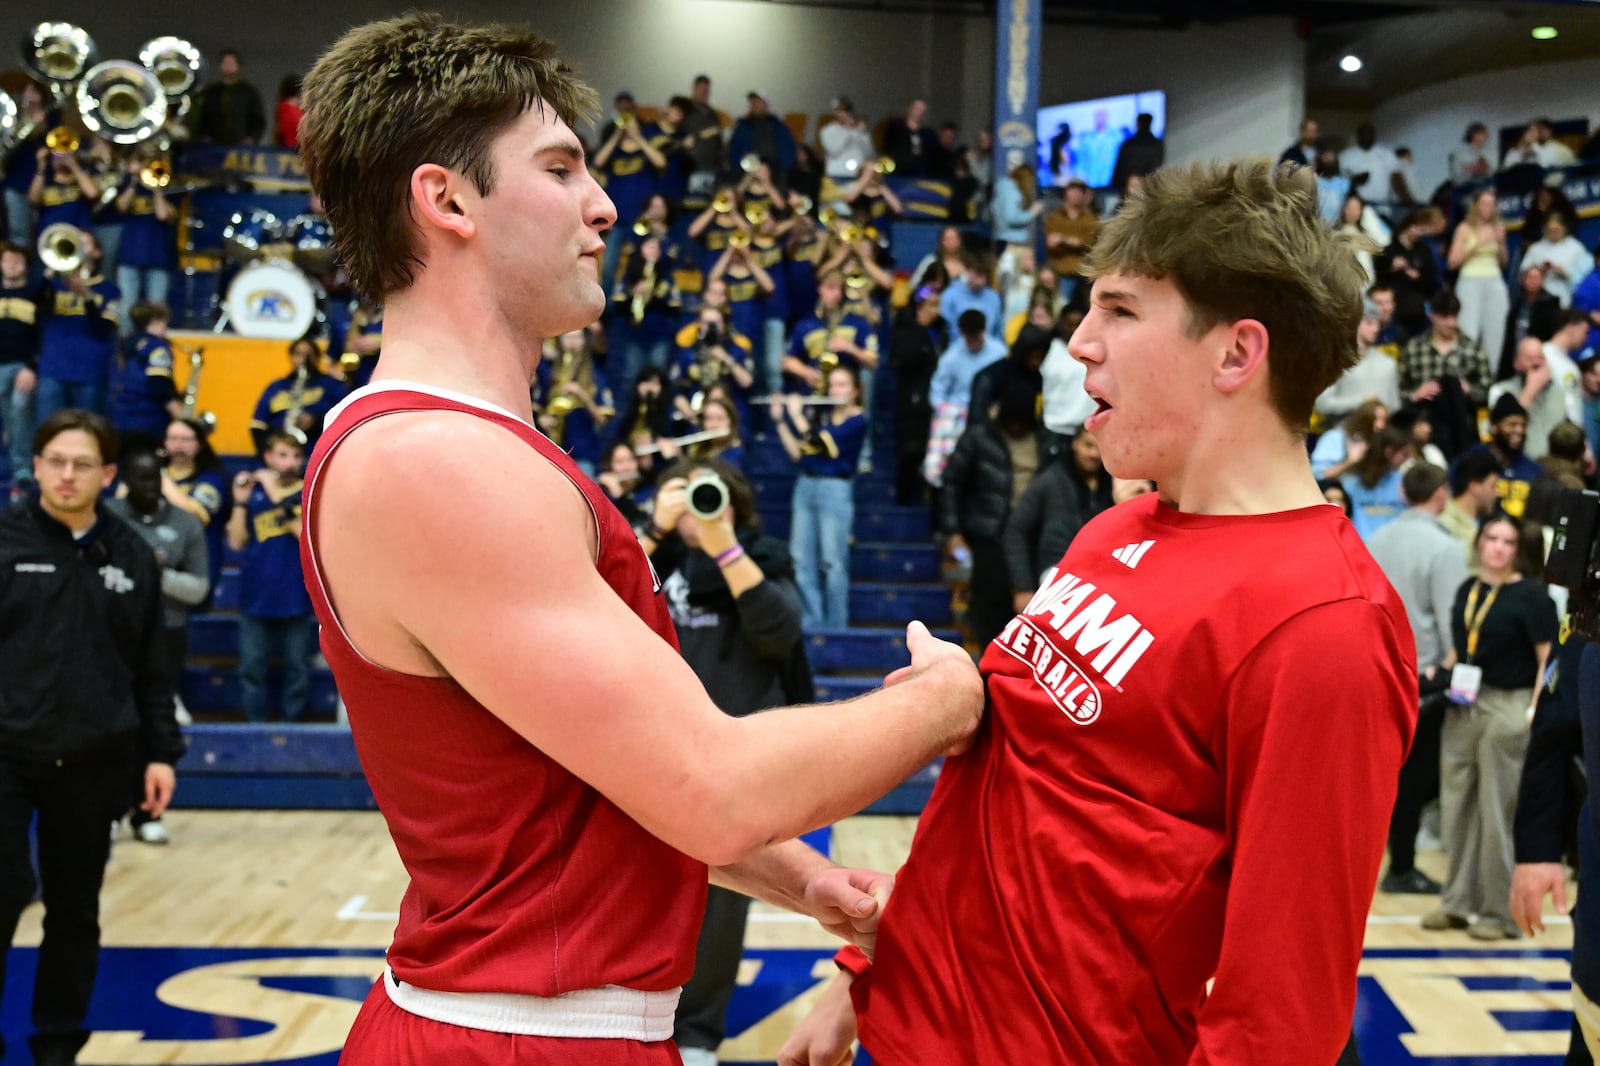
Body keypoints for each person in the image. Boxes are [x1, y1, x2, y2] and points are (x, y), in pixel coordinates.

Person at [295, 16, 984, 1063]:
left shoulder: (449, 446)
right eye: (562, 167)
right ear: (445, 201)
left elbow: (620, 778)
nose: (603, 205)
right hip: (517, 1037)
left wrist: (798, 876)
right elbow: (711, 788)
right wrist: (945, 701)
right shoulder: (436, 463)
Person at [779, 158, 1415, 1065]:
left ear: (1237, 353)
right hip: (915, 1029)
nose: (1079, 343)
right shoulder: (1110, 529)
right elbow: (997, 791)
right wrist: (863, 971)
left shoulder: (1326, 626)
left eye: (1118, 311)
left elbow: (1279, 1018)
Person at [0, 409, 182, 1066]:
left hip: (94, 759)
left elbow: (153, 666)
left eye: (81, 464)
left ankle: (56, 1048)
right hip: (7, 755)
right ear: (37, 465)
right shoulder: (5, 540)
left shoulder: (132, 554)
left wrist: (161, 752)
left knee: (74, 914)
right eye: (55, 461)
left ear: (107, 474)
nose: (67, 475)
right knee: (2, 888)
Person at [641, 458, 808, 1066]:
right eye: (686, 497)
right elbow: (601, 607)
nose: (697, 510)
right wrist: (653, 532)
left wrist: (727, 549)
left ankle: (697, 1035)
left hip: (735, 753)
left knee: (721, 901)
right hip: (648, 750)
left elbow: (779, 633)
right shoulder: (649, 558)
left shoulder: (763, 558)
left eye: (711, 498)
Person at [1423, 514, 1557, 940]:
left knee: (1497, 810)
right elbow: (1461, 648)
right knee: (1457, 804)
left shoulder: (1533, 597)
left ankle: (1500, 912)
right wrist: (1438, 672)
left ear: (1519, 550)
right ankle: (1456, 902)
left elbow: (1546, 660)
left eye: (1508, 541)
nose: (1498, 547)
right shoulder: (1468, 589)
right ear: (1479, 543)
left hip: (1507, 705)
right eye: (1492, 538)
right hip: (1464, 704)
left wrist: (1536, 709)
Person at [1367, 462, 1468, 895]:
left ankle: (1388, 862)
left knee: (1386, 778)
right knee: (1416, 780)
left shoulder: (1376, 538)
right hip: (1424, 677)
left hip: (1378, 670)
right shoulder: (1445, 549)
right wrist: (1458, 683)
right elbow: (1455, 625)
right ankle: (1403, 865)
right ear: (1440, 494)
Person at [105, 448, 210, 843]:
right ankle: (111, 809)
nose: (148, 487)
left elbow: (198, 588)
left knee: (154, 720)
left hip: (166, 631)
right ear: (124, 480)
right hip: (112, 633)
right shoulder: (107, 518)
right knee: (113, 721)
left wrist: (151, 573)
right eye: (139, 479)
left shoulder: (185, 524)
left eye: (154, 478)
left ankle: (147, 813)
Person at [770, 368, 867, 628]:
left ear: (855, 390)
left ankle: (836, 627)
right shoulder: (820, 416)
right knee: (800, 560)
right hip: (805, 485)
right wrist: (781, 420)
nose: (836, 391)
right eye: (833, 386)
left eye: (842, 385)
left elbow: (824, 445)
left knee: (832, 562)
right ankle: (812, 623)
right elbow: (797, 453)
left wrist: (796, 414)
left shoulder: (857, 421)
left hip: (835, 490)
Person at [227, 433, 313, 724]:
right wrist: (239, 503)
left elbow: (303, 535)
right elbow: (237, 541)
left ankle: (292, 728)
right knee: (252, 669)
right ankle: (256, 727)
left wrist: (272, 491)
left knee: (297, 668)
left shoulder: (307, 491)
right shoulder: (254, 493)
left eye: (296, 456)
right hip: (256, 595)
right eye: (283, 455)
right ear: (268, 458)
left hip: (296, 596)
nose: (290, 463)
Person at [0, 241, 42, 489]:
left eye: (17, 261)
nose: (12, 265)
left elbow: (43, 335)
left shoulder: (36, 293)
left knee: (19, 409)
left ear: (26, 266)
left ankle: (21, 467)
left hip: (21, 366)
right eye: (7, 260)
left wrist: (31, 367)